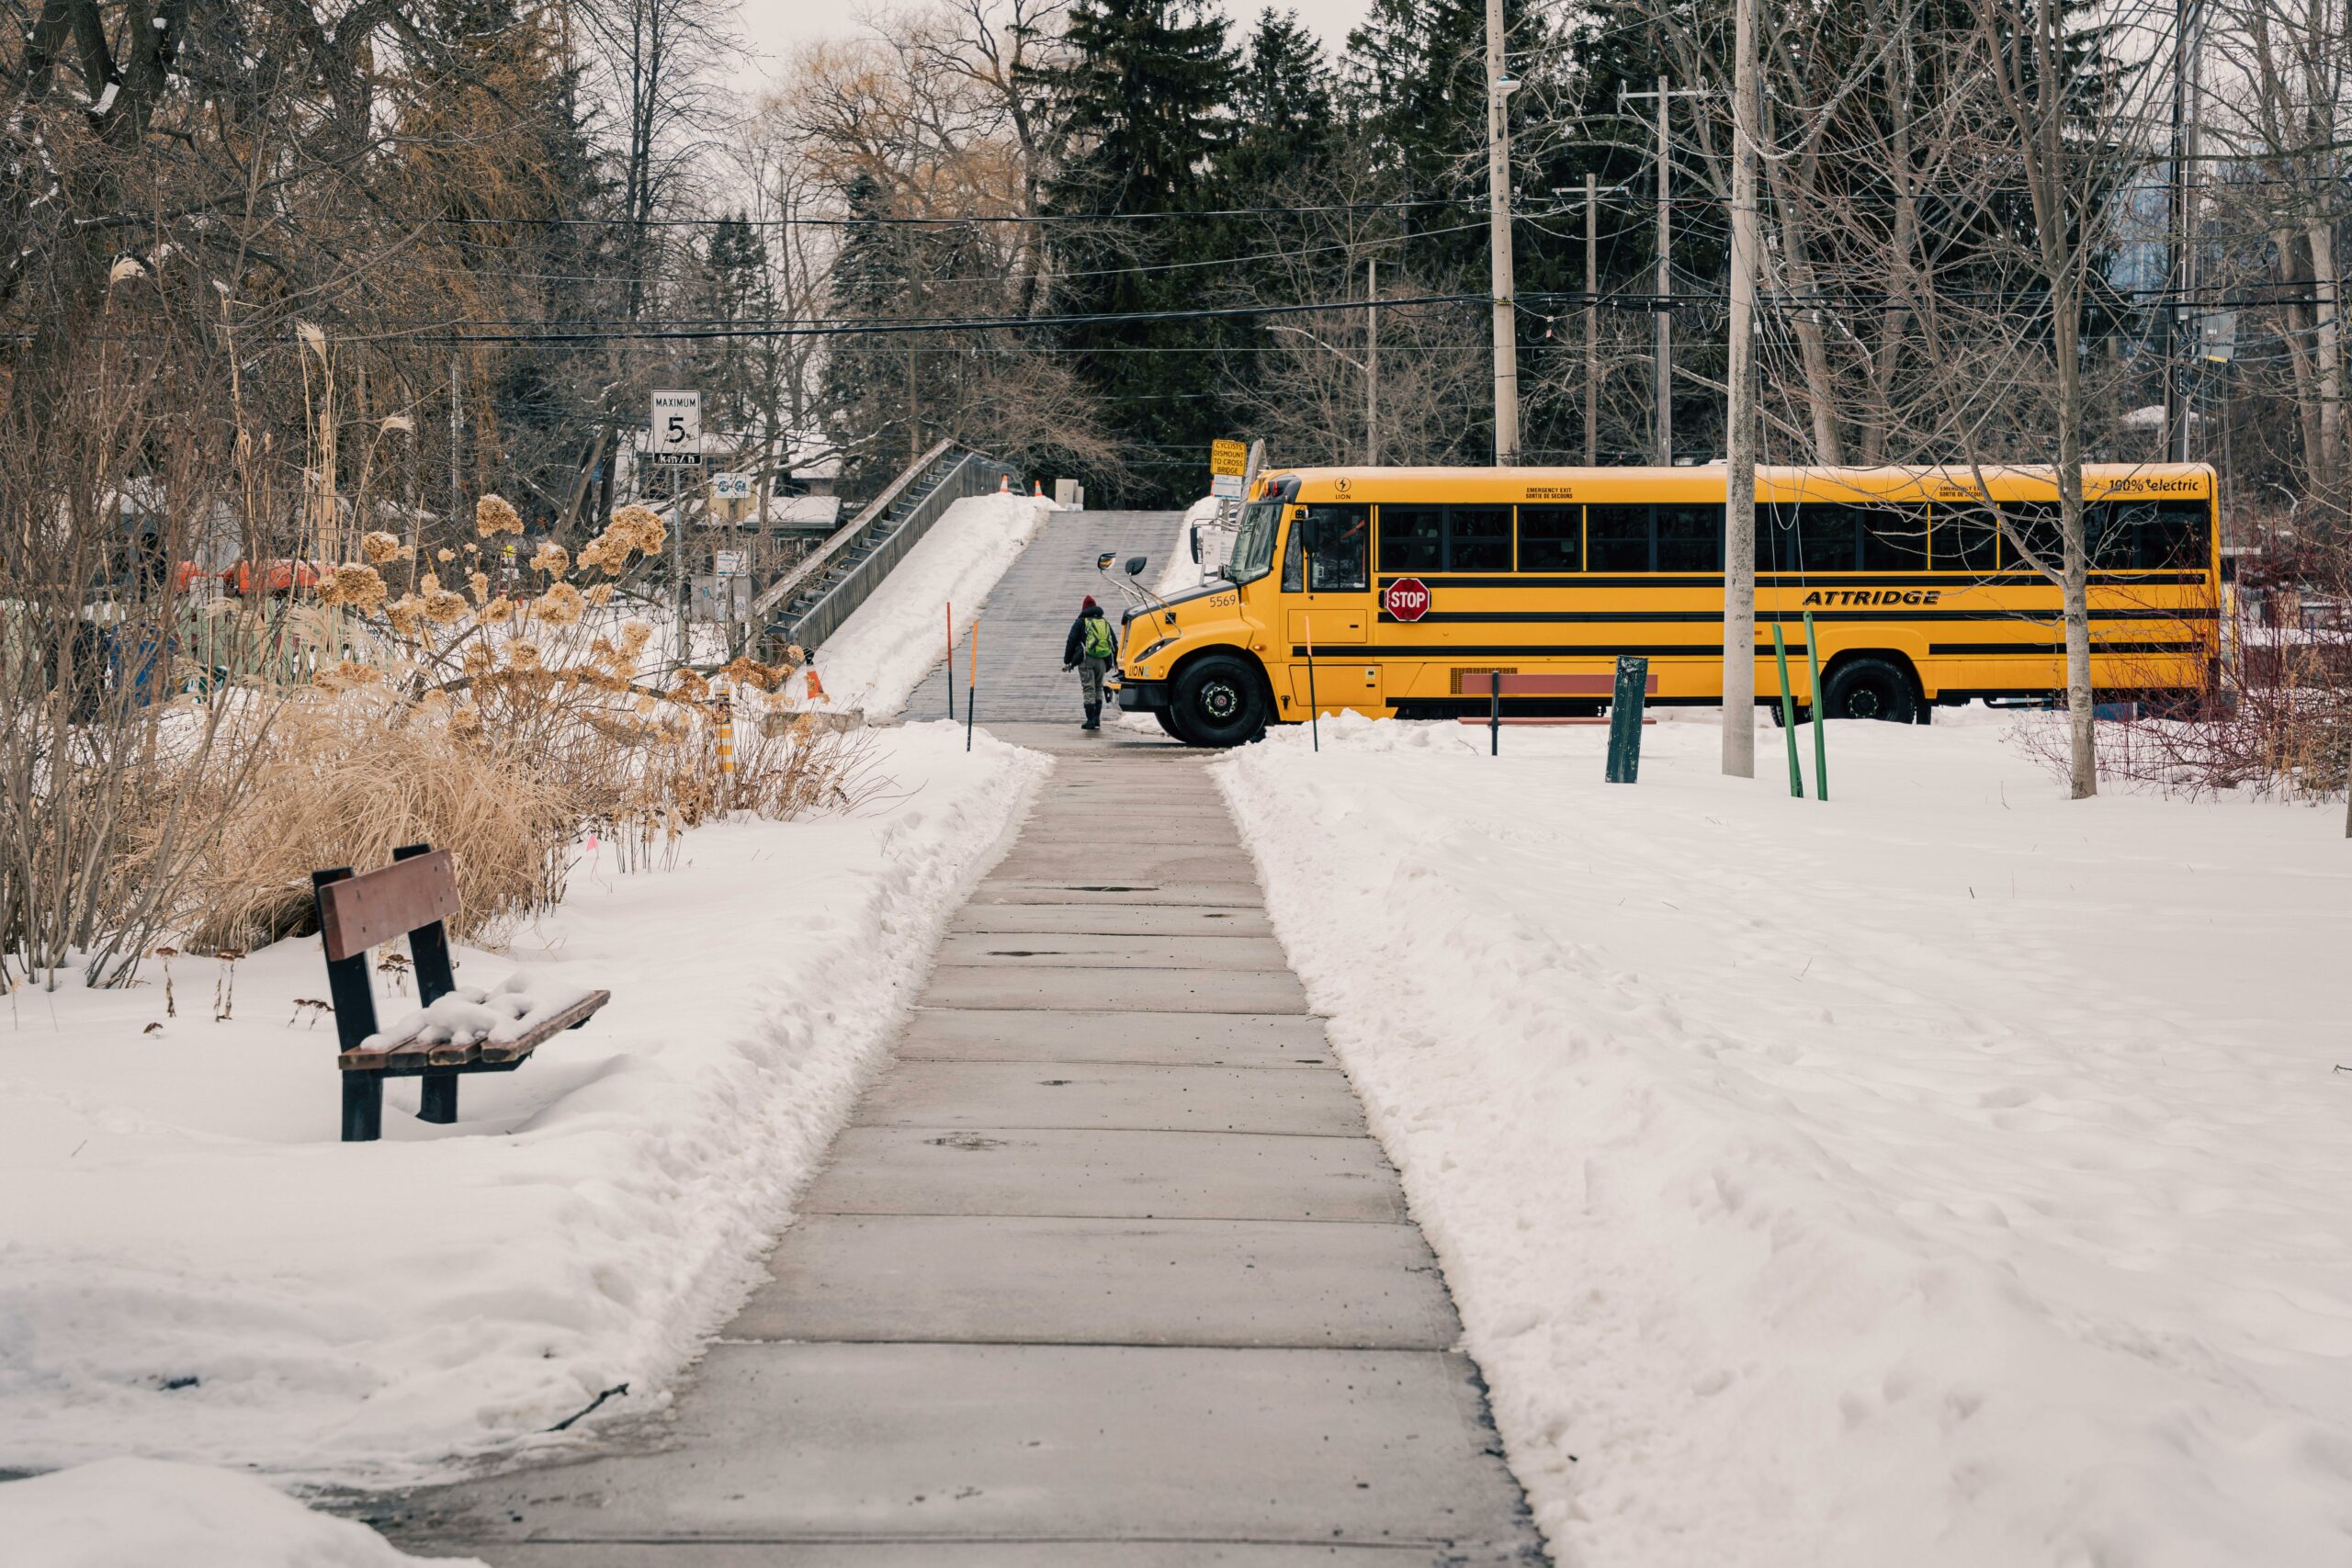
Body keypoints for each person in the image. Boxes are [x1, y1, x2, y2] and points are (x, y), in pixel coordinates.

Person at [1062, 594, 1117, 730]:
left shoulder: (1081, 622)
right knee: (1098, 687)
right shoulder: (1104, 622)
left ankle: (1090, 720)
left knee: (1088, 689)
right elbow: (1114, 642)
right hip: (1103, 660)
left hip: (1086, 659)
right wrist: (1115, 661)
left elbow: (1071, 641)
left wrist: (1067, 661)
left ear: (1084, 608)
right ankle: (1097, 719)